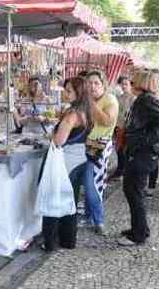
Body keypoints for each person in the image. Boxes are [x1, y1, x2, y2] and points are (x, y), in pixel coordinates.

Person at [41, 77, 92, 251]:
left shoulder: (72, 113)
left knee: (54, 200)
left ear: (79, 92)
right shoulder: (86, 110)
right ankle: (68, 240)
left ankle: (50, 242)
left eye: (69, 90)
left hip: (66, 162)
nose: (65, 93)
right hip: (79, 160)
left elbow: (59, 140)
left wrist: (51, 135)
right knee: (71, 200)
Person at [119, 69, 159, 246]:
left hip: (143, 154)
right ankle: (139, 229)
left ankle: (139, 234)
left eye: (134, 80)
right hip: (140, 152)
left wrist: (140, 141)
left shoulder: (147, 100)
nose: (131, 82)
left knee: (134, 193)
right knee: (133, 192)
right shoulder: (144, 100)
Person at [84, 71, 118, 235]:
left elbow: (107, 120)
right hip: (83, 145)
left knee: (92, 185)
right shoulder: (89, 100)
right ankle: (89, 216)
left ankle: (98, 220)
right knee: (85, 181)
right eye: (89, 83)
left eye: (96, 83)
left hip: (98, 147)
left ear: (104, 84)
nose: (92, 86)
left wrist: (90, 103)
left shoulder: (109, 100)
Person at [110, 76, 135, 180]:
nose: (124, 86)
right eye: (122, 84)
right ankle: (121, 170)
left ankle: (122, 171)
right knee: (119, 150)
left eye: (126, 84)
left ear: (130, 85)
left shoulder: (133, 98)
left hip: (126, 128)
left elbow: (131, 115)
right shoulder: (119, 97)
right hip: (118, 126)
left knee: (123, 150)